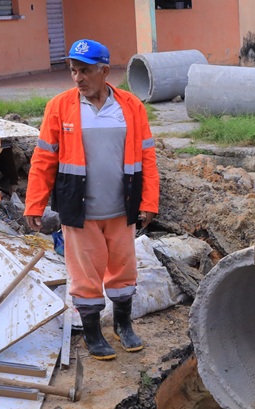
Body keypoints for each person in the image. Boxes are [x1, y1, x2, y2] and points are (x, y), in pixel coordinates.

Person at [25, 38, 159, 361]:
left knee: (124, 269)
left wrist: (149, 202)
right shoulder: (59, 108)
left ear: (104, 71)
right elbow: (44, 159)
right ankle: (92, 332)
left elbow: (147, 157)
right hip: (79, 209)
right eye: (73, 71)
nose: (78, 78)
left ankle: (123, 326)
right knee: (85, 274)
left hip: (121, 207)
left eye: (85, 71)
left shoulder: (130, 107)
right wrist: (35, 203)